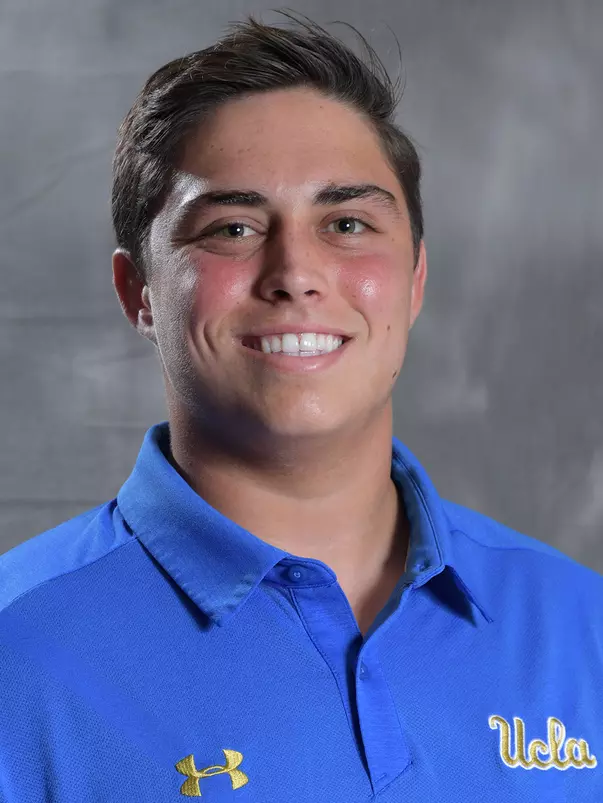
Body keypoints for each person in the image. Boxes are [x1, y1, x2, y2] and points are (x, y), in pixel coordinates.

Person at [0, 11, 601, 803]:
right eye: (233, 228)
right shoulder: (18, 651)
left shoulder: (579, 627)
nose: (295, 273)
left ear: (414, 280)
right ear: (137, 292)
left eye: (347, 223)